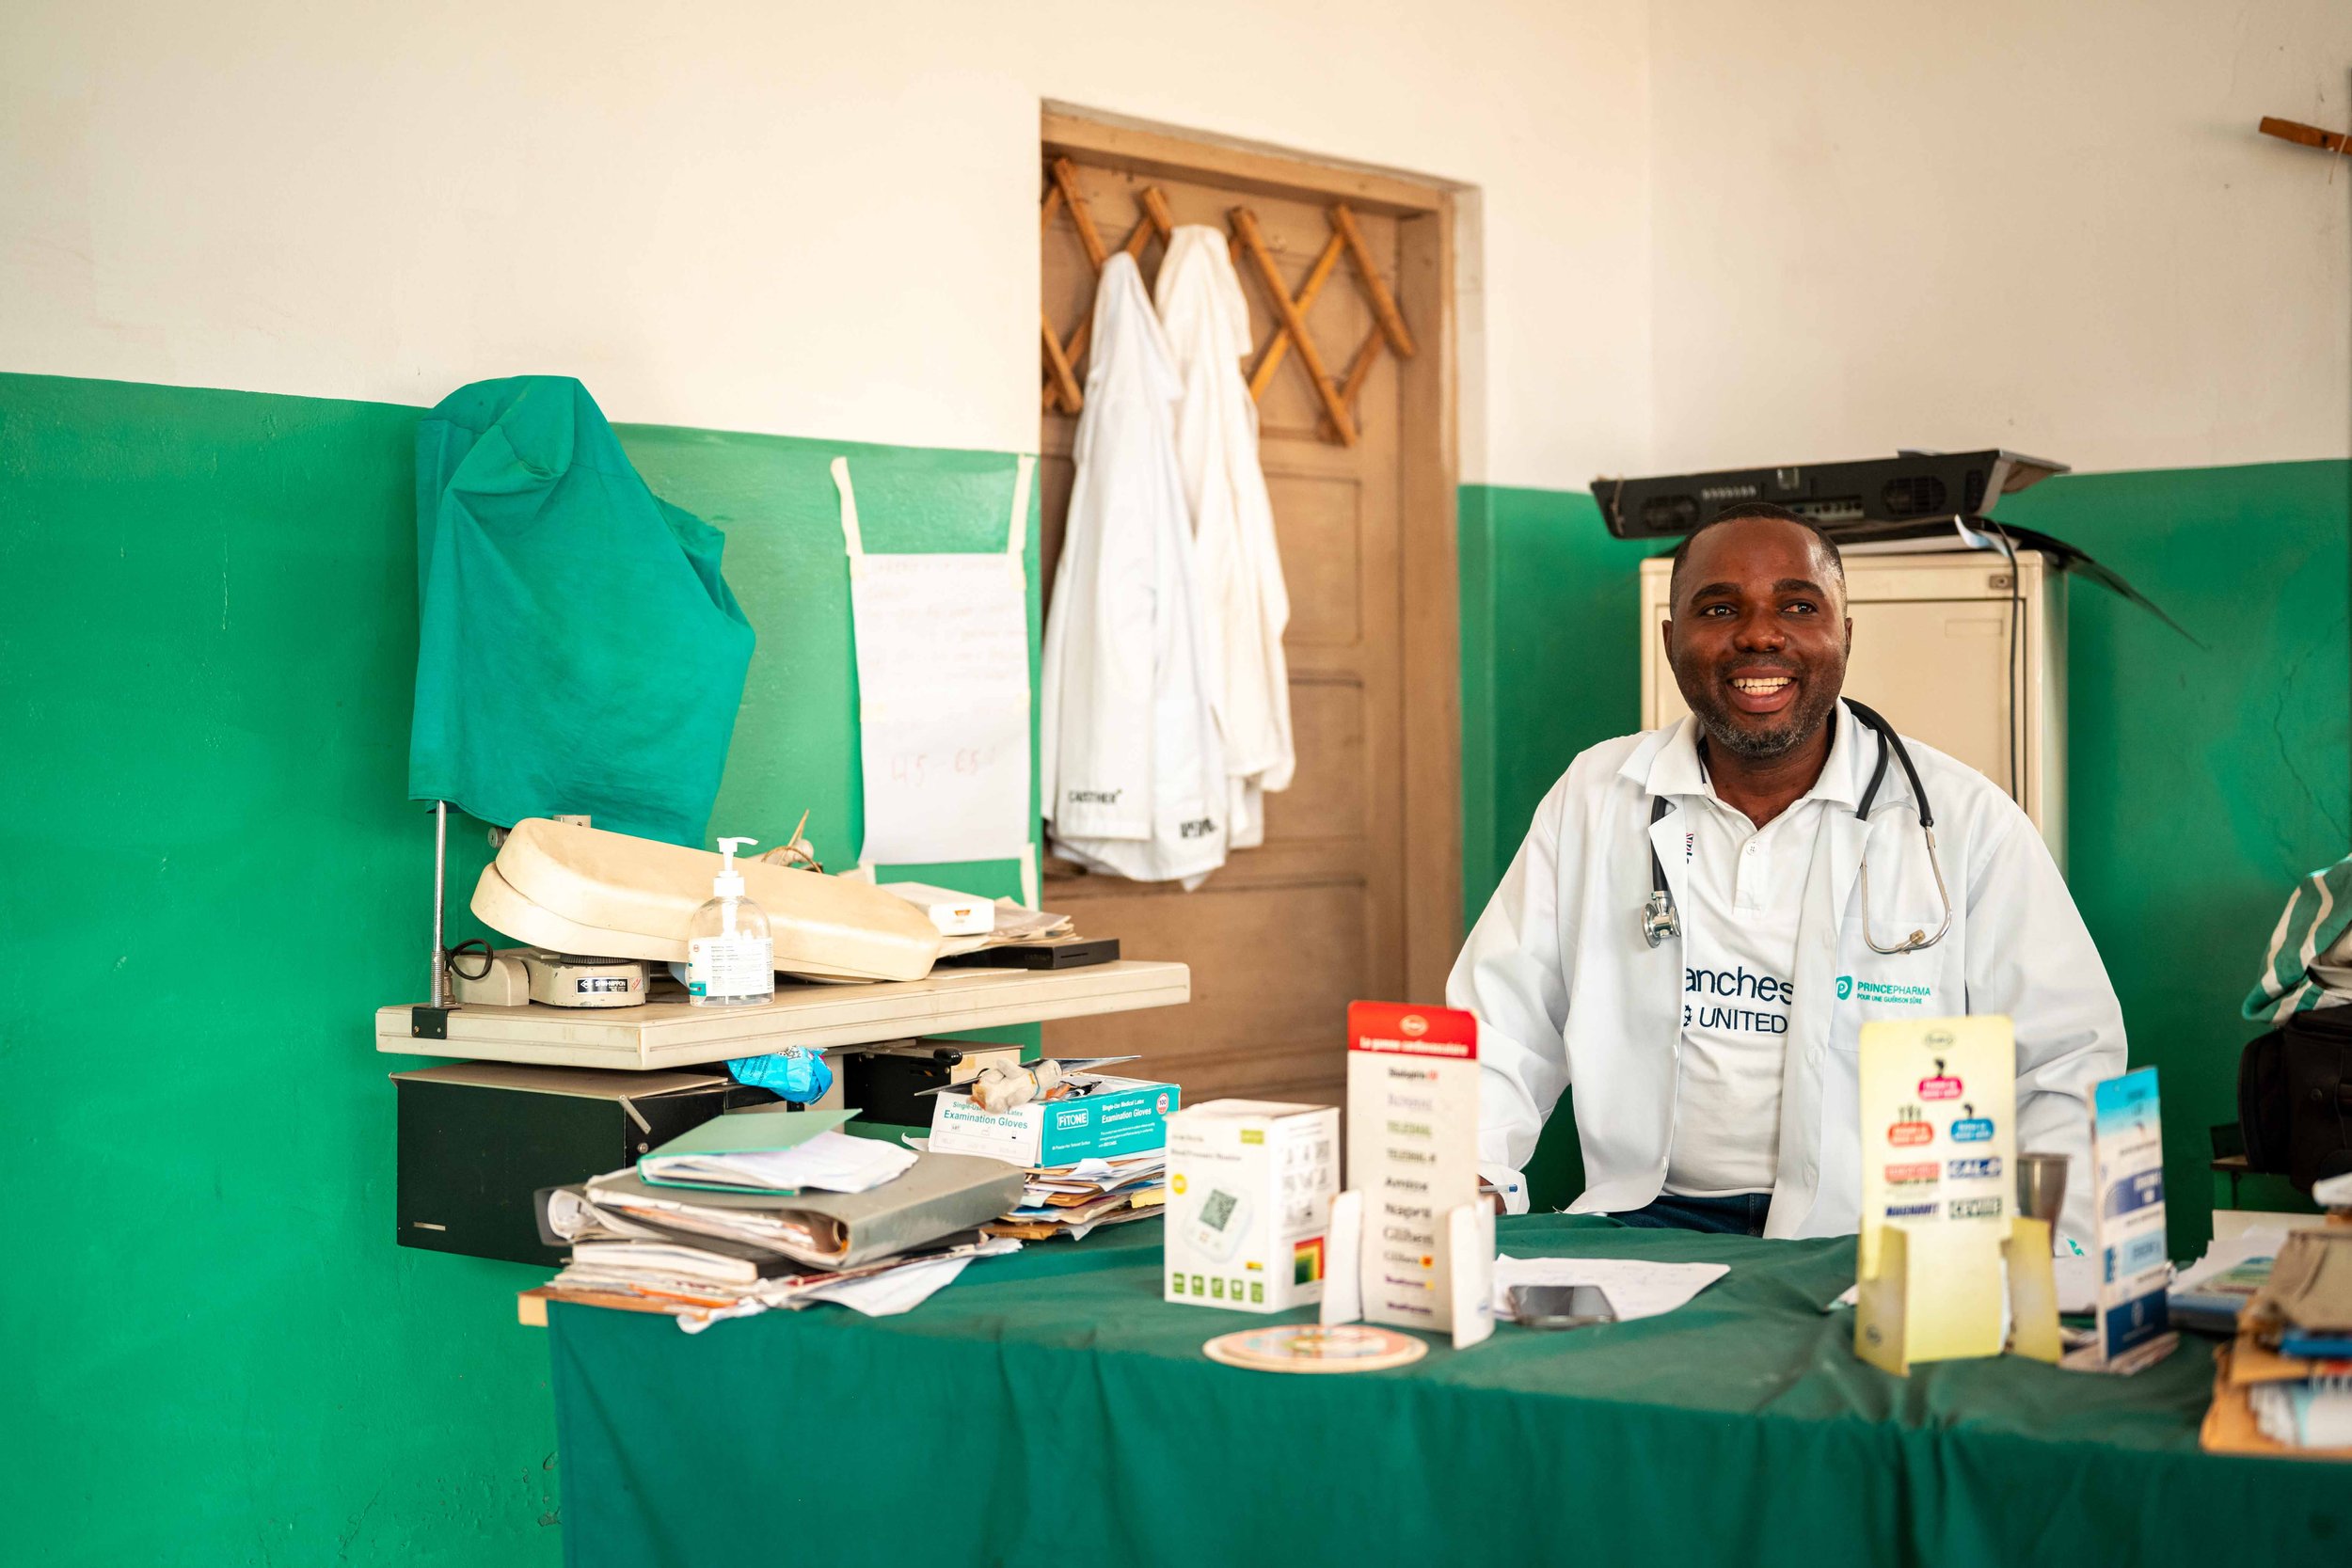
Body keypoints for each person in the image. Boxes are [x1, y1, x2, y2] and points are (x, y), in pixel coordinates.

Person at [1448, 503, 2123, 1241]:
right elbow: (1496, 1026)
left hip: (1878, 1241)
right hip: (1642, 1226)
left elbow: (2065, 1063)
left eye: (1798, 606)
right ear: (1671, 640)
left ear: (1845, 634)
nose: (1760, 634)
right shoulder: (1597, 796)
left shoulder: (1964, 824)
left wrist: (2050, 1261)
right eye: (1720, 607)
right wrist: (1467, 1178)